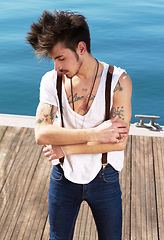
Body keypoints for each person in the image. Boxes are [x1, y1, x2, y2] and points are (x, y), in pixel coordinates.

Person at [26, 10, 132, 240]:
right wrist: (96, 134)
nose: (56, 67)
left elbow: (118, 143)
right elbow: (42, 133)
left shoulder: (118, 81)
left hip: (105, 177)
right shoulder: (50, 81)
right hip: (63, 177)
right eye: (54, 60)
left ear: (81, 48)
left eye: (60, 58)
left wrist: (65, 148)